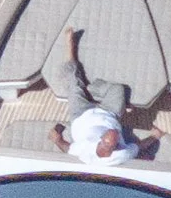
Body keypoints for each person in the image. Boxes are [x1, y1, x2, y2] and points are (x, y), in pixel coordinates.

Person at [43, 25, 150, 165]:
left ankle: (70, 47)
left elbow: (67, 148)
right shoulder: (123, 154)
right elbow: (138, 147)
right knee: (118, 89)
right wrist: (155, 136)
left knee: (73, 82)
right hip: (110, 114)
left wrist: (57, 140)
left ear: (102, 141)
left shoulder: (84, 151)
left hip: (81, 115)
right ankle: (89, 89)